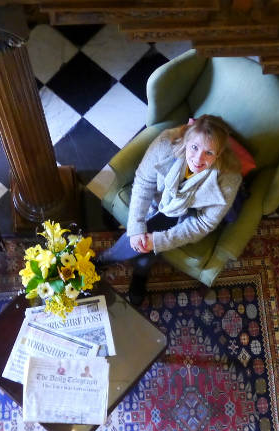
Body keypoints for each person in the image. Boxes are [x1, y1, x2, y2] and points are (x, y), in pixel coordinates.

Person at [100, 115, 242, 305]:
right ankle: (127, 265)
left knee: (152, 236)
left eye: (209, 152)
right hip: (159, 199)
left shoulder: (229, 177)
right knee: (147, 230)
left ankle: (118, 264)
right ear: (187, 140)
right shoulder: (166, 144)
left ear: (219, 153)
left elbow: (204, 223)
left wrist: (158, 241)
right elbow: (144, 182)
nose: (198, 159)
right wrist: (135, 227)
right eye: (194, 147)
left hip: (190, 211)